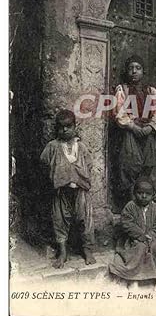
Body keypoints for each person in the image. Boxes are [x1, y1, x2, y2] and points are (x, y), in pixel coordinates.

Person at [40, 109, 96, 269]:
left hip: (80, 191)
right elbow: (44, 161)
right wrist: (58, 173)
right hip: (61, 192)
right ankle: (63, 252)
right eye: (61, 127)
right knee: (59, 220)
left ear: (75, 126)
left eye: (68, 126)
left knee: (85, 219)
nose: (65, 130)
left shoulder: (81, 147)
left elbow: (89, 164)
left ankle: (87, 250)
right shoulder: (53, 146)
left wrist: (77, 175)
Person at [113, 55, 156, 202]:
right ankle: (131, 203)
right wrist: (132, 126)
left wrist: (151, 127)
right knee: (130, 165)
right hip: (131, 133)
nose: (134, 71)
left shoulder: (151, 91)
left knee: (149, 166)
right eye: (131, 68)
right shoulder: (123, 90)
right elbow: (119, 112)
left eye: (138, 68)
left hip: (148, 133)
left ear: (143, 71)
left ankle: (149, 202)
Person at [109, 177, 156, 289]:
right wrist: (141, 236)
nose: (144, 196)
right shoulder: (130, 207)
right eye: (140, 193)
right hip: (133, 239)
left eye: (148, 194)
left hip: (152, 239)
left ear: (153, 195)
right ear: (134, 193)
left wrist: (151, 235)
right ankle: (133, 279)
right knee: (139, 249)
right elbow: (127, 224)